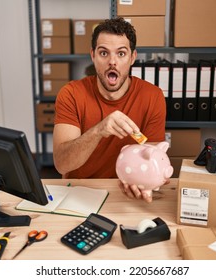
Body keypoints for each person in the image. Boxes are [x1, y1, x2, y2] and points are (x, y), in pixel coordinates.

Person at [53, 17, 166, 203]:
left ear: (132, 58)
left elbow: (152, 159)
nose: (112, 62)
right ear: (93, 56)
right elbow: (62, 164)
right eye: (104, 53)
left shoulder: (153, 96)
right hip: (79, 192)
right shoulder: (71, 94)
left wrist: (145, 183)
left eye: (121, 54)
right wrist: (99, 130)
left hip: (126, 193)